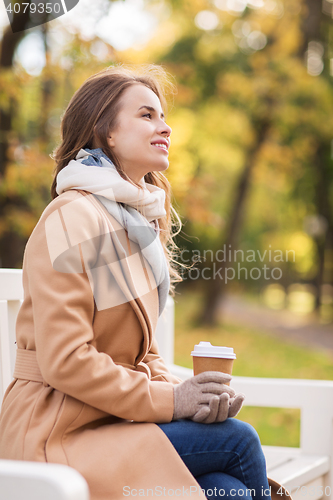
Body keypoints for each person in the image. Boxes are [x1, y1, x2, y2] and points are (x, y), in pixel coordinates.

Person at [0, 65, 271, 500]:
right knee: (238, 441)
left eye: (163, 117)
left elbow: (141, 353)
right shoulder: (73, 216)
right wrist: (172, 403)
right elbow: (66, 360)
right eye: (147, 115)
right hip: (56, 431)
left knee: (226, 489)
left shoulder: (131, 224)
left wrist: (194, 397)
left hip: (110, 420)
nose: (165, 127)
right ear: (106, 132)